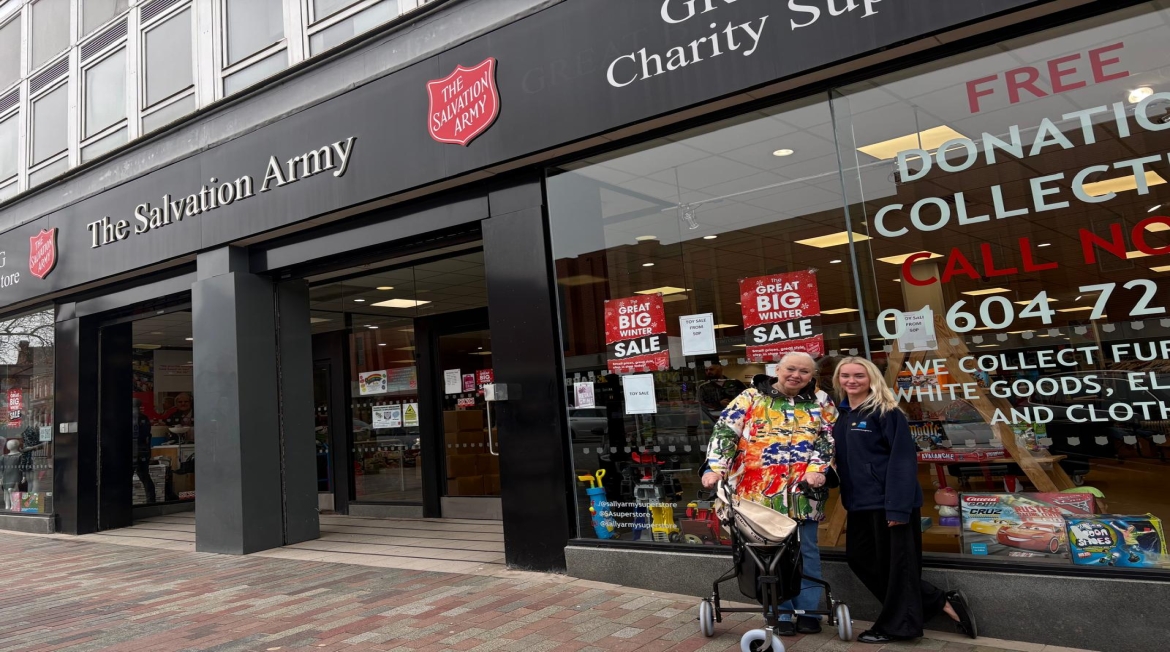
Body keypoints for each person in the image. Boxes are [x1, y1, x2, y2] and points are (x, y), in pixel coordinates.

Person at [832, 357, 976, 643]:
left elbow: (902, 462)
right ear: (838, 380)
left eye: (859, 375)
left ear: (871, 378)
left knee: (896, 566)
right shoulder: (842, 415)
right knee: (859, 559)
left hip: (889, 502)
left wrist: (897, 507)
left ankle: (899, 627)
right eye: (845, 375)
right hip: (860, 502)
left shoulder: (886, 412)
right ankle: (938, 602)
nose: (851, 381)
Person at [701, 351, 835, 636]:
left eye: (804, 371)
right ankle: (780, 611)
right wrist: (715, 469)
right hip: (758, 495)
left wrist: (817, 469)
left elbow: (827, 439)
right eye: (790, 369)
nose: (796, 375)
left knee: (807, 552)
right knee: (767, 554)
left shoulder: (821, 401)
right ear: (778, 369)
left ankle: (809, 611)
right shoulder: (750, 397)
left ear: (812, 376)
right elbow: (725, 433)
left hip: (803, 492)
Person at [132, 398, 156, 504]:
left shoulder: (130, 418)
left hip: (134, 451)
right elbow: (147, 435)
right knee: (145, 476)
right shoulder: (144, 418)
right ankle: (151, 501)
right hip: (143, 451)